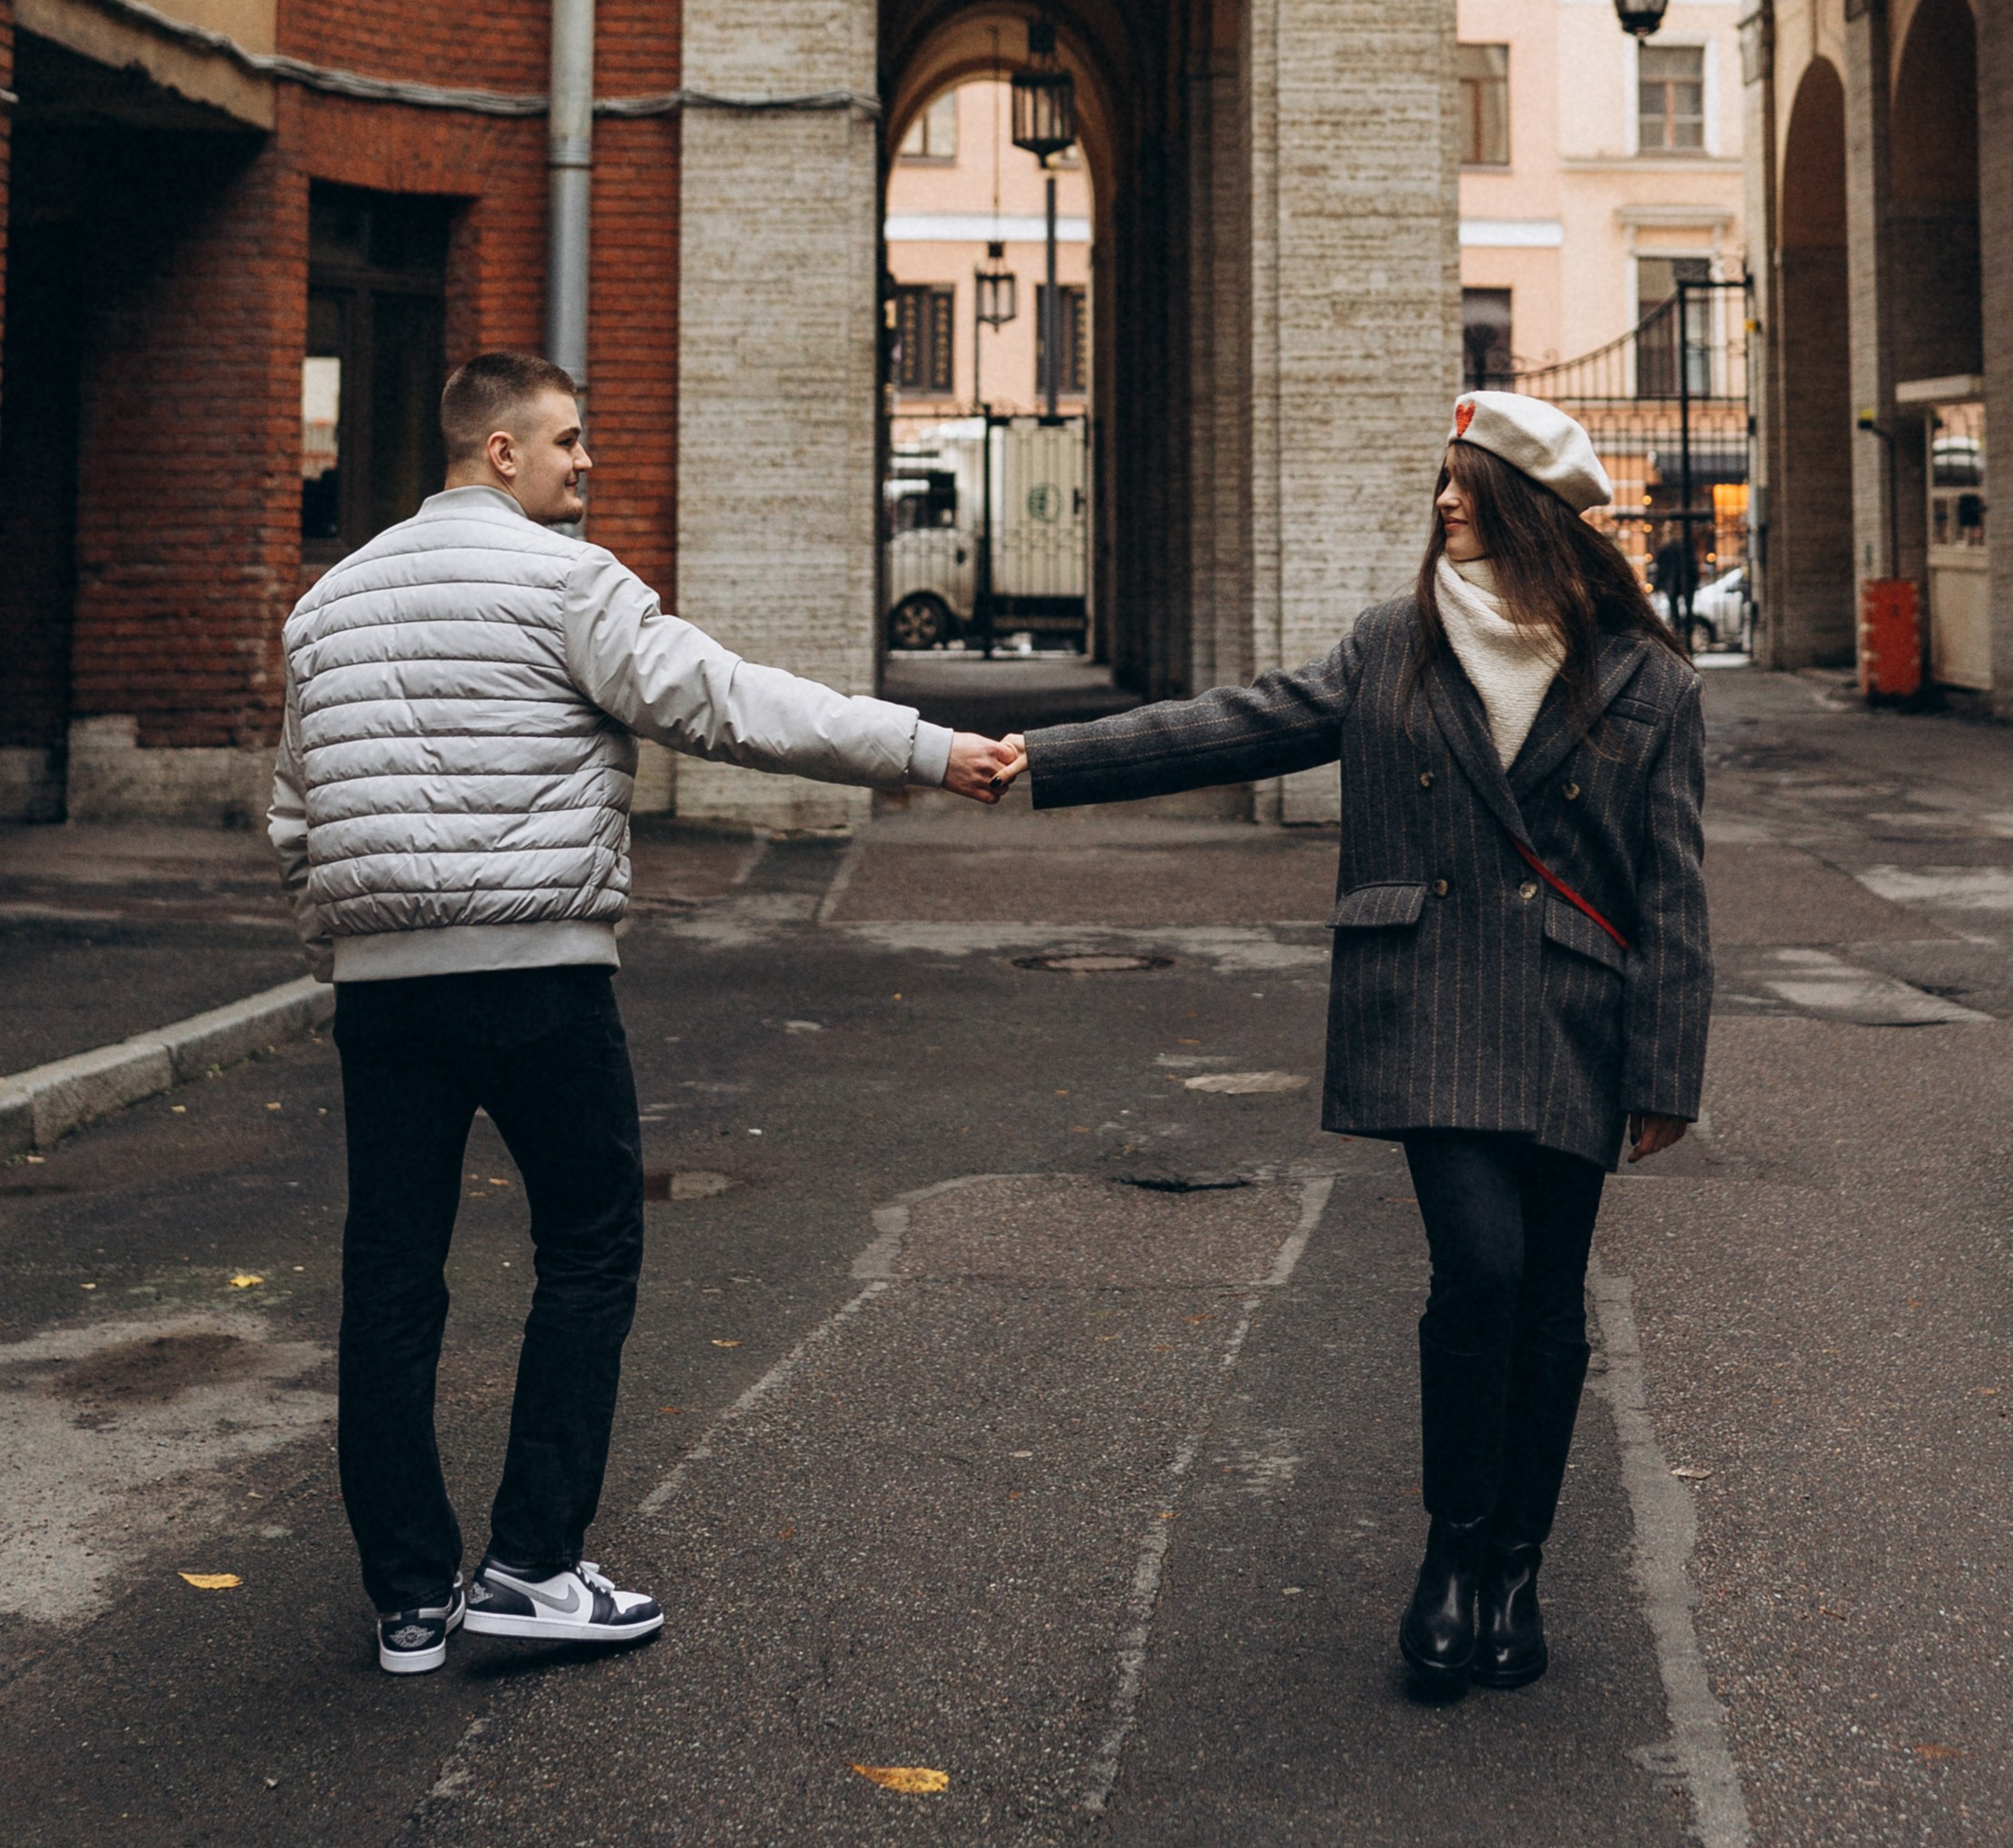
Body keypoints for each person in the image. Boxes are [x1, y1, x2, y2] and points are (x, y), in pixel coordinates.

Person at [271, 348, 1019, 1679]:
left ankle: (406, 1601)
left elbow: (296, 815)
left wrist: (343, 948)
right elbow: (727, 704)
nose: (586, 462)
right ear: (498, 451)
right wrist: (924, 750)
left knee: (391, 1278)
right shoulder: (569, 583)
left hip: (383, 996)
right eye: (568, 441)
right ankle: (531, 1568)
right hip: (538, 979)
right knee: (589, 1245)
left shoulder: (330, 603)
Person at [1002, 391, 1709, 1696]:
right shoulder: (1393, 645)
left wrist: (1670, 1068)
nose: (1443, 503)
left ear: (1533, 508)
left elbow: (1672, 886)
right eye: (1441, 481)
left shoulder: (1646, 677)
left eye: (1469, 482)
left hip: (1575, 1016)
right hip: (1434, 1003)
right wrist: (1041, 756)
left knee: (1550, 1306)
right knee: (1480, 1275)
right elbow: (1231, 722)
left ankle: (1516, 1569)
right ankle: (1449, 1559)